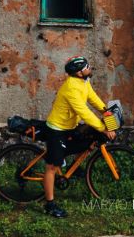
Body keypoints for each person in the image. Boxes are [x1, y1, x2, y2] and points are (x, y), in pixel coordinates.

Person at [41, 55, 116, 218]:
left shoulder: (83, 82)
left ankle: (72, 169)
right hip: (57, 129)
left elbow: (93, 98)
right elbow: (84, 112)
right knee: (51, 167)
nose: (90, 68)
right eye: (87, 67)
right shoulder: (71, 88)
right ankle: (49, 205)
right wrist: (103, 128)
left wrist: (107, 113)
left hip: (69, 127)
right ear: (79, 72)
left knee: (88, 139)